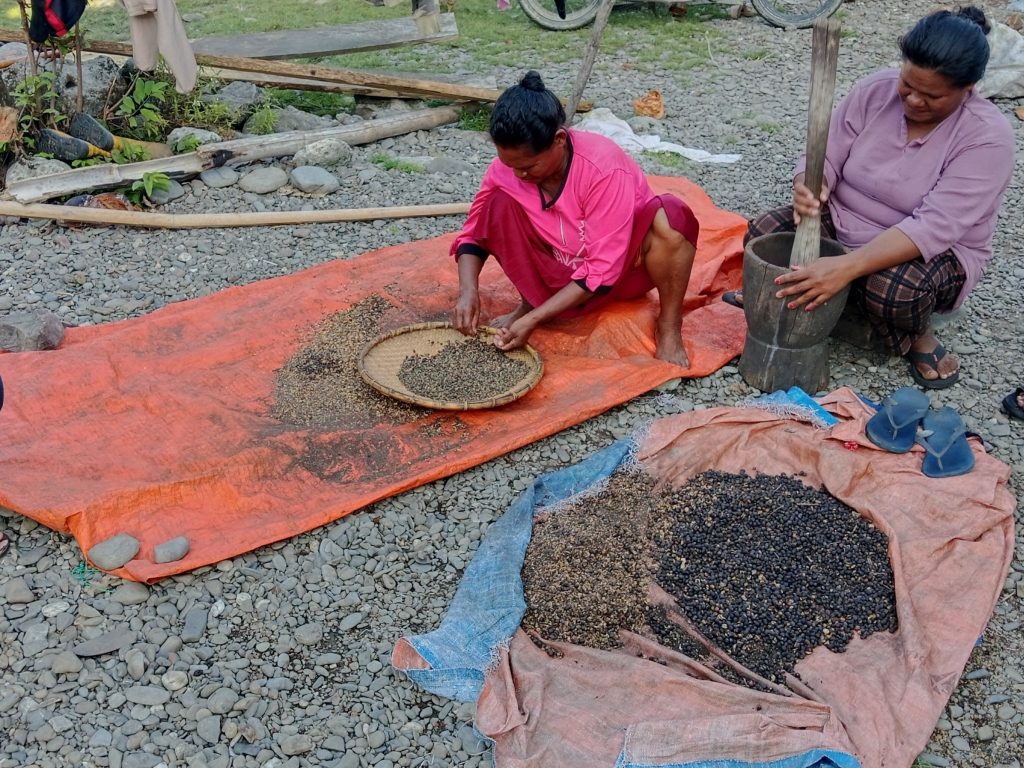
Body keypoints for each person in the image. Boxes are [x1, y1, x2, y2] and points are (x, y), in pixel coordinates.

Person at [729, 6, 1014, 389]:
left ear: (968, 89)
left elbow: (933, 227)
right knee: (764, 234)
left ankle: (916, 333)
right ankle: (838, 303)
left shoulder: (987, 137)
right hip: (843, 220)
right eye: (907, 85)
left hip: (926, 249)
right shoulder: (874, 91)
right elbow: (825, 154)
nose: (914, 100)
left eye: (932, 96)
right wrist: (811, 184)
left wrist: (846, 268)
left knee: (895, 293)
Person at [450, 71, 700, 367]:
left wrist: (535, 320)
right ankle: (532, 300)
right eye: (510, 165)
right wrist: (468, 292)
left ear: (559, 139)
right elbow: (473, 234)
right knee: (497, 203)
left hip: (620, 276)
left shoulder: (603, 168)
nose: (519, 174)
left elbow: (601, 270)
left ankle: (669, 326)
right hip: (557, 271)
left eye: (529, 166)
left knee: (672, 216)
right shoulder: (506, 171)